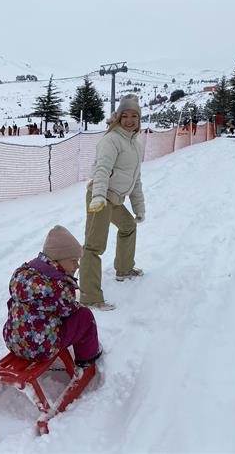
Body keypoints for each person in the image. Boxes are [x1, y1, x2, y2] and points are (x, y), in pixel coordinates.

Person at [79, 94, 146, 311]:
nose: (129, 120)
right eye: (124, 115)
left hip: (115, 198)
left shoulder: (135, 144)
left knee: (128, 226)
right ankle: (90, 297)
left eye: (134, 116)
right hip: (101, 197)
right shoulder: (112, 140)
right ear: (118, 118)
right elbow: (102, 169)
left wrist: (139, 207)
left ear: (139, 119)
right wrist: (98, 196)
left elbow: (136, 179)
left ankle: (124, 269)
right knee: (94, 246)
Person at [3, 225, 102, 368]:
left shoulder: (22, 273)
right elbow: (70, 310)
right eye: (73, 260)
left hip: (12, 340)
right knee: (84, 315)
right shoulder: (59, 285)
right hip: (41, 349)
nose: (78, 265)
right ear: (58, 259)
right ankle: (88, 357)